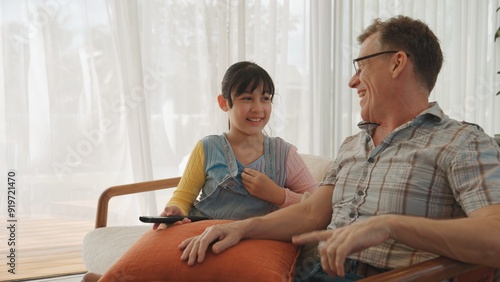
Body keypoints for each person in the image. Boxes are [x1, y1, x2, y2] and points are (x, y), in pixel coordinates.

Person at [178, 16, 500, 281]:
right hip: (307, 272)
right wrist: (238, 229)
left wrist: (389, 225)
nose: (352, 81)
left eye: (360, 66)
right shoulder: (352, 146)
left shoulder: (460, 141)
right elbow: (310, 212)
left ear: (397, 63)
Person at [82, 61, 318, 282]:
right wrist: (175, 210)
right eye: (247, 98)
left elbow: (321, 207)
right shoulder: (207, 148)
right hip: (200, 230)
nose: (258, 108)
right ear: (224, 102)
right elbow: (184, 196)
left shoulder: (284, 154)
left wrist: (278, 195)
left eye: (265, 99)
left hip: (250, 237)